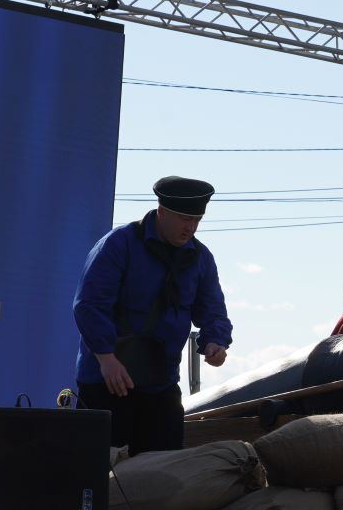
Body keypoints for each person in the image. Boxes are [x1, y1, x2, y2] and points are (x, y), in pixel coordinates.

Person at [73, 176, 232, 454]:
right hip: (109, 380)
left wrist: (215, 342)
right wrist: (106, 359)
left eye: (196, 220)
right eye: (184, 218)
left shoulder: (200, 257)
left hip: (161, 383)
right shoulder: (119, 244)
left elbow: (212, 309)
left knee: (163, 473)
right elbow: (90, 304)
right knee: (104, 473)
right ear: (161, 211)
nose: (190, 227)